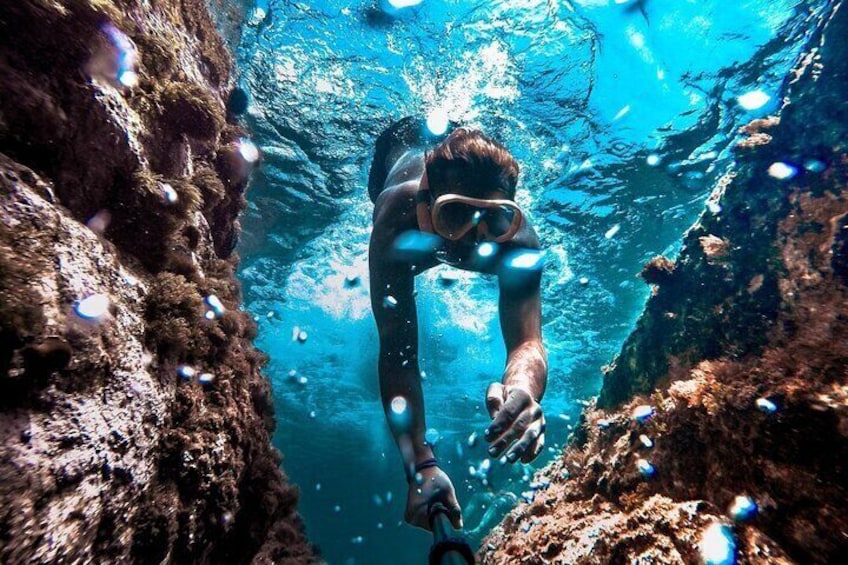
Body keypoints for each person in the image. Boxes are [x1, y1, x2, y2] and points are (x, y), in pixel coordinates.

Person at [367, 117, 548, 532]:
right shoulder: (395, 217)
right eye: (455, 216)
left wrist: (522, 387)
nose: (473, 239)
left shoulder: (518, 242)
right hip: (396, 146)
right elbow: (398, 353)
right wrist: (421, 465)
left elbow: (528, 342)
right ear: (425, 202)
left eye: (494, 220)